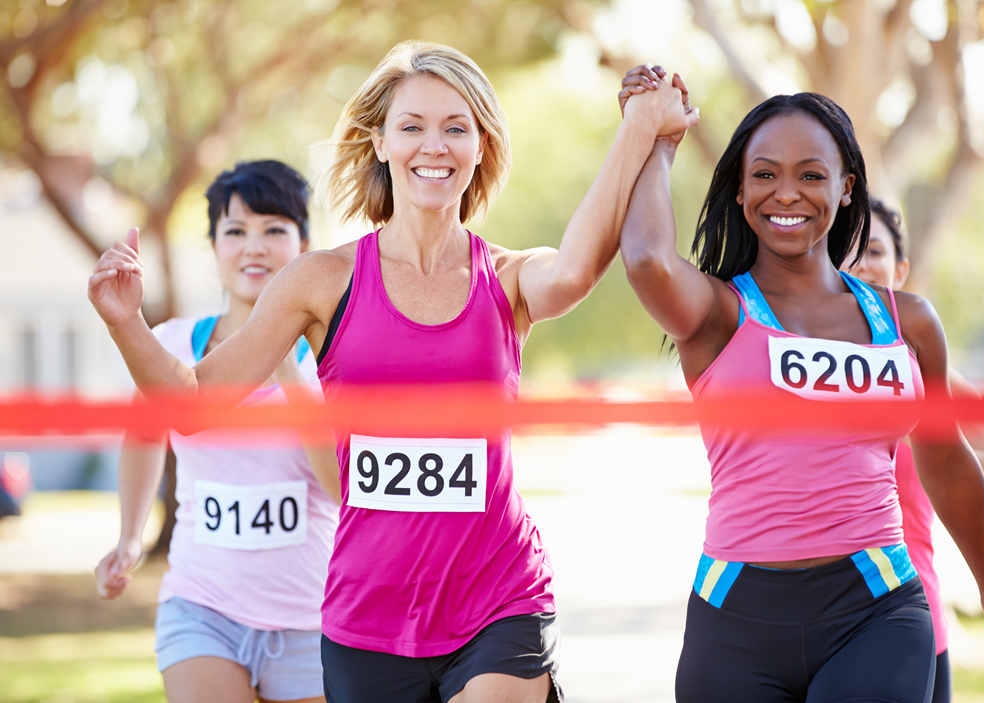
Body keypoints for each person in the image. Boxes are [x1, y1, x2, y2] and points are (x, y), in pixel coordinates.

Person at [87, 42, 696, 703]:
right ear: (379, 141)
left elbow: (577, 270)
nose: (433, 146)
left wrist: (640, 128)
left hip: (499, 598)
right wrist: (126, 321)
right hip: (366, 619)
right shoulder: (320, 280)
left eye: (455, 127)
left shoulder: (511, 277)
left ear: (482, 146)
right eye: (411, 126)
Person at [617, 65, 984, 701]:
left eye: (810, 174)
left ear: (845, 187)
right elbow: (644, 258)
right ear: (741, 191)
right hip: (735, 613)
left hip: (878, 607)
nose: (787, 193)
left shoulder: (905, 320)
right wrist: (657, 142)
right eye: (765, 175)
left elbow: (946, 459)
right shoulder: (718, 314)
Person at [93, 160, 340, 703]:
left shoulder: (334, 360)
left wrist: (282, 360)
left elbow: (339, 489)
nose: (255, 246)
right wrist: (130, 537)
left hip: (312, 622)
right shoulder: (173, 345)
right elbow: (143, 435)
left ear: (305, 245)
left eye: (274, 229)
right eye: (235, 231)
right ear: (213, 246)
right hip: (201, 610)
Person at [843, 196, 984, 703]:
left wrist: (924, 434)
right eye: (847, 252)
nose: (860, 264)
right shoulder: (802, 362)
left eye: (874, 251)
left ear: (900, 269)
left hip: (913, 627)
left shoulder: (931, 371)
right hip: (813, 626)